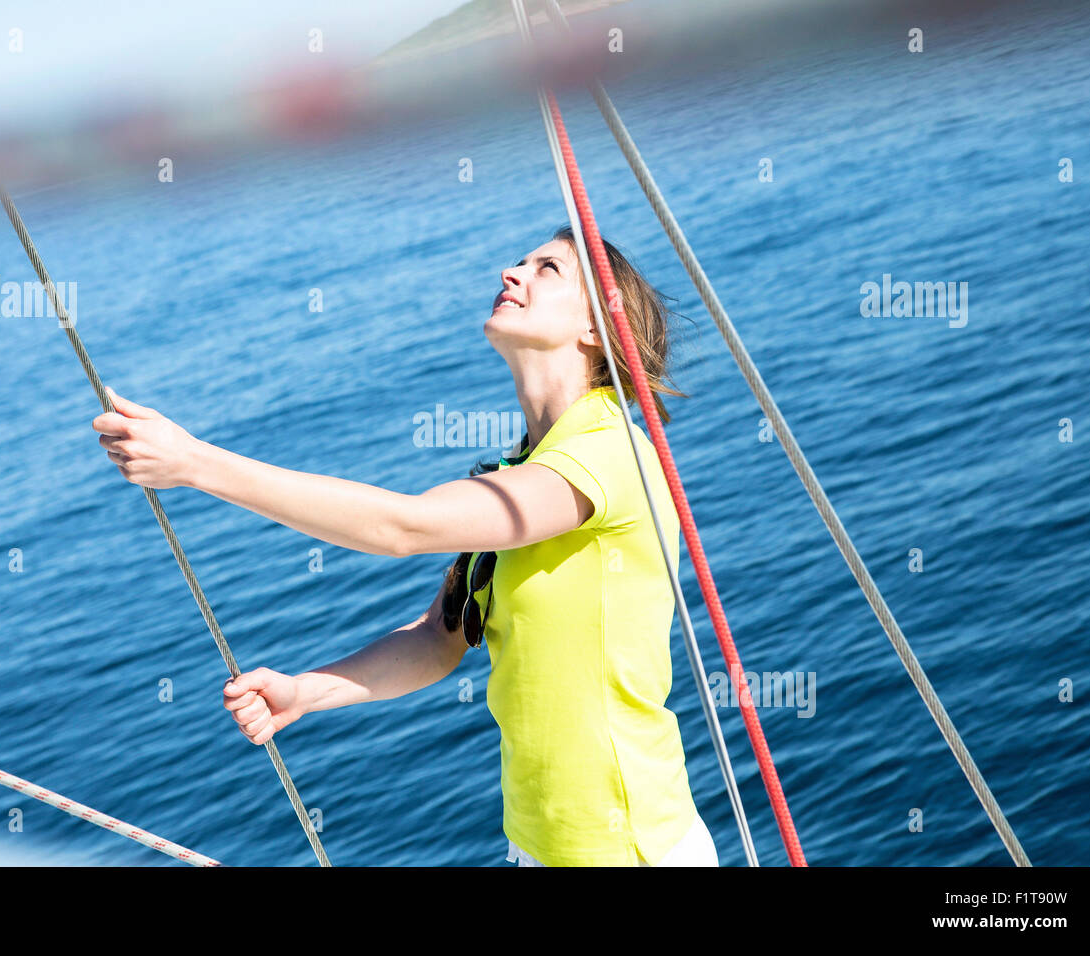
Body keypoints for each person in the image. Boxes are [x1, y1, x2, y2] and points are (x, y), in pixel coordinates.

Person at [91, 224, 718, 867]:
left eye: (547, 269)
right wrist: (308, 690)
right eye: (518, 262)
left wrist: (195, 463)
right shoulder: (527, 468)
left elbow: (405, 528)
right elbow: (438, 637)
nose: (512, 273)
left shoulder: (609, 452)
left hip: (629, 846)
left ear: (597, 329)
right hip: (538, 846)